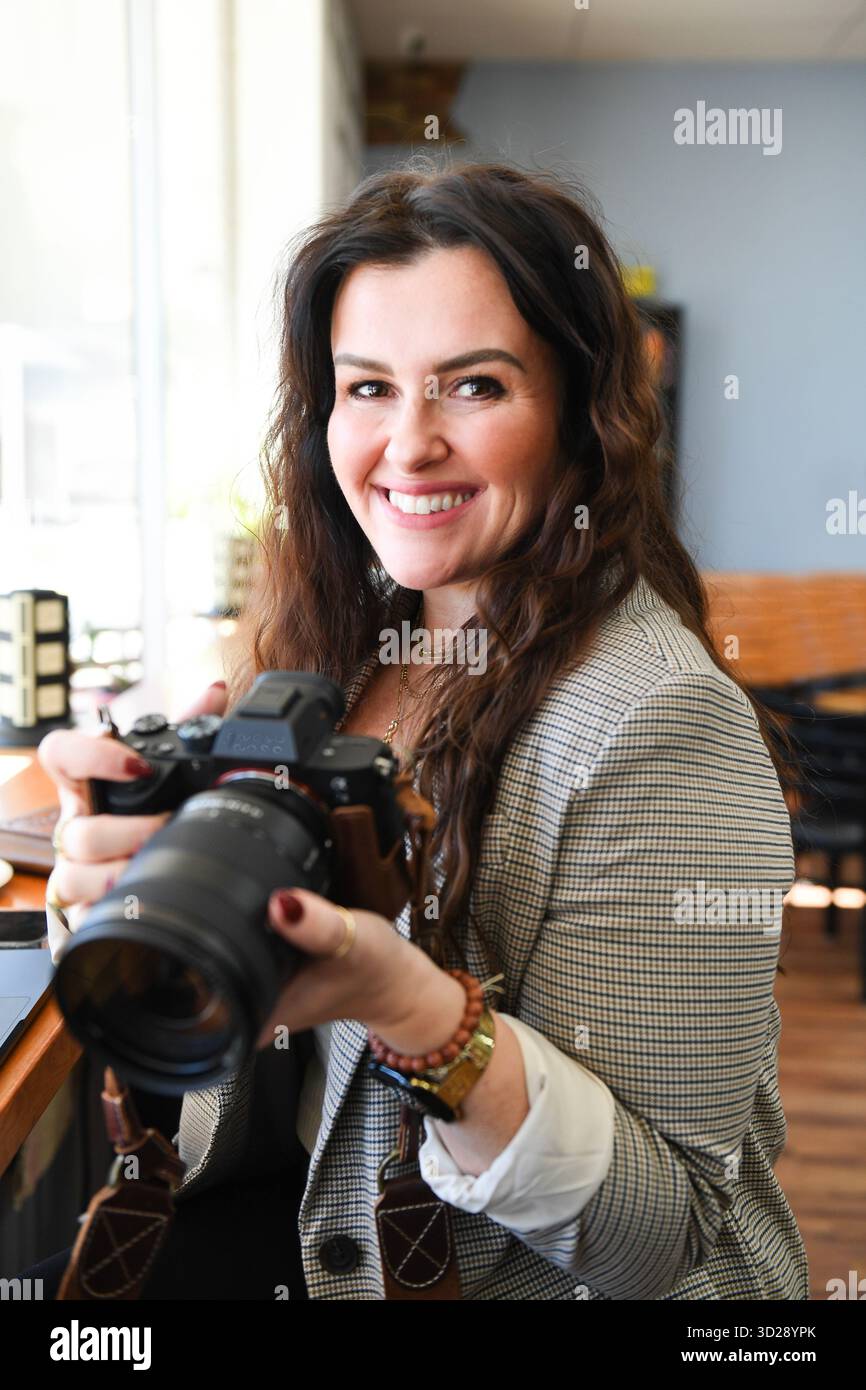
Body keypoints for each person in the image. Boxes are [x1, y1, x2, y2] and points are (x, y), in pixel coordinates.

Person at [34, 159, 808, 1301]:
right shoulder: (334, 652)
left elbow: (662, 1237)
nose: (406, 446)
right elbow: (246, 1051)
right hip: (314, 1218)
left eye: (473, 386)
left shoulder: (659, 721)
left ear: (581, 415)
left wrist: (405, 1005)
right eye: (366, 388)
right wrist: (126, 895)